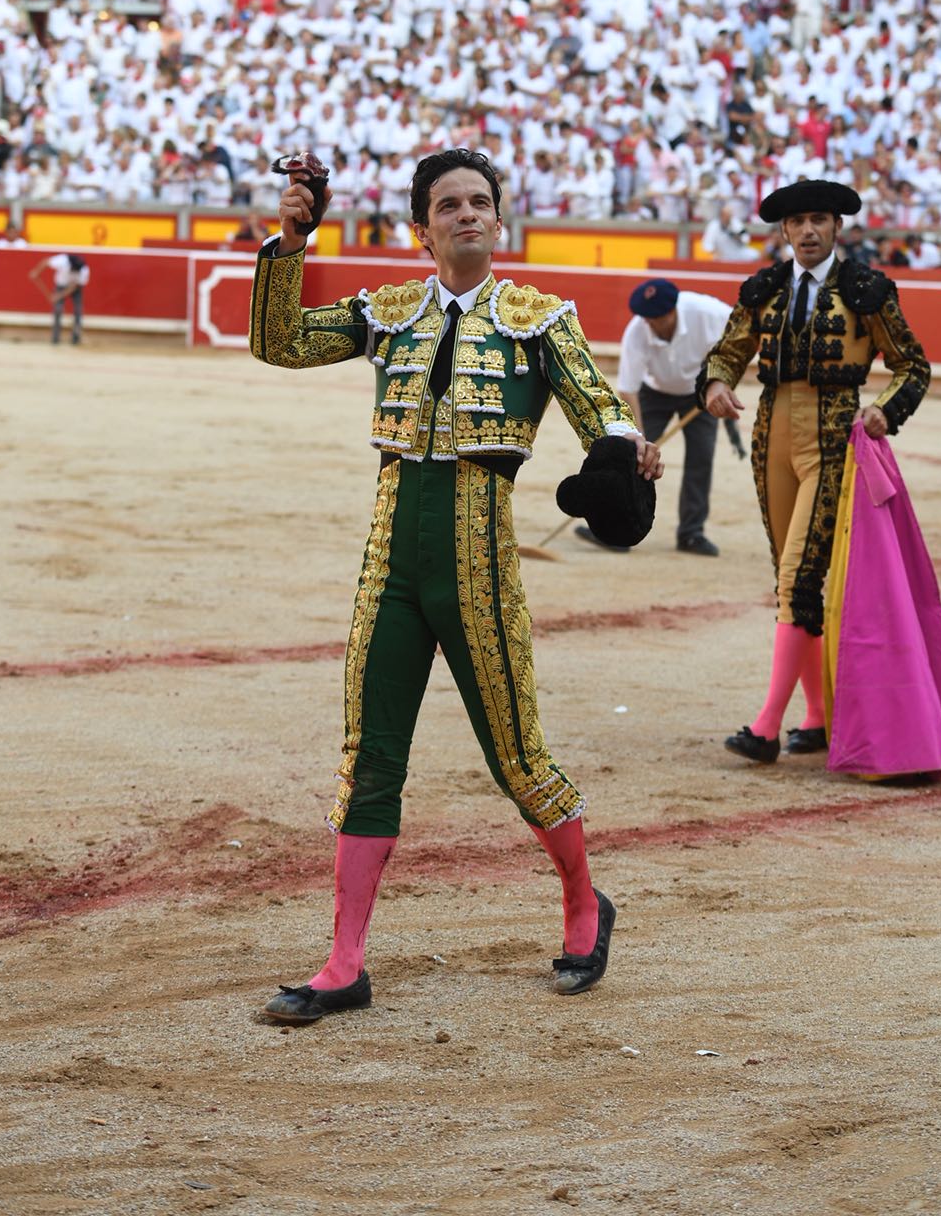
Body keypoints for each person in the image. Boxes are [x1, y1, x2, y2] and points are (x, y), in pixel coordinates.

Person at [249, 147, 663, 1023]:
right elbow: (278, 342)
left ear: (500, 220)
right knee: (370, 755)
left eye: (481, 202)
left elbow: (602, 410)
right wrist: (290, 241)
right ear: (422, 227)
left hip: (479, 554)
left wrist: (629, 450)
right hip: (392, 554)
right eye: (449, 205)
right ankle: (344, 961)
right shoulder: (388, 311)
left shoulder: (539, 319)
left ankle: (585, 904)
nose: (467, 214)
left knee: (517, 755)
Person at [698, 181, 931, 765]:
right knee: (789, 578)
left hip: (831, 440)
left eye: (818, 221)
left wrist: (885, 408)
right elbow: (728, 351)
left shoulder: (865, 290)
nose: (807, 231)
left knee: (799, 578)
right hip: (770, 435)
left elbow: (912, 365)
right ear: (783, 231)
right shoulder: (765, 289)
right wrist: (718, 384)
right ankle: (820, 717)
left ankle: (767, 727)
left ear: (836, 227)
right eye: (798, 222)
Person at [580, 278, 732, 558]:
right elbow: (628, 390)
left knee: (701, 460)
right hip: (654, 393)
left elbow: (741, 336)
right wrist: (637, 437)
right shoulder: (637, 331)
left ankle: (691, 533)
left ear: (675, 309)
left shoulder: (709, 312)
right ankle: (617, 531)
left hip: (700, 392)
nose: (654, 323)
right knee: (631, 458)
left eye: (660, 317)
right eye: (649, 318)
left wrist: (721, 380)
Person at [28, 253, 90, 345]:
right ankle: (55, 338)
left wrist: (58, 296)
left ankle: (76, 338)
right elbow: (46, 261)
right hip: (60, 285)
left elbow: (74, 287)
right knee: (58, 310)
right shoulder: (63, 261)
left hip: (74, 288)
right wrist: (36, 272)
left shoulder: (84, 270)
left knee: (78, 310)